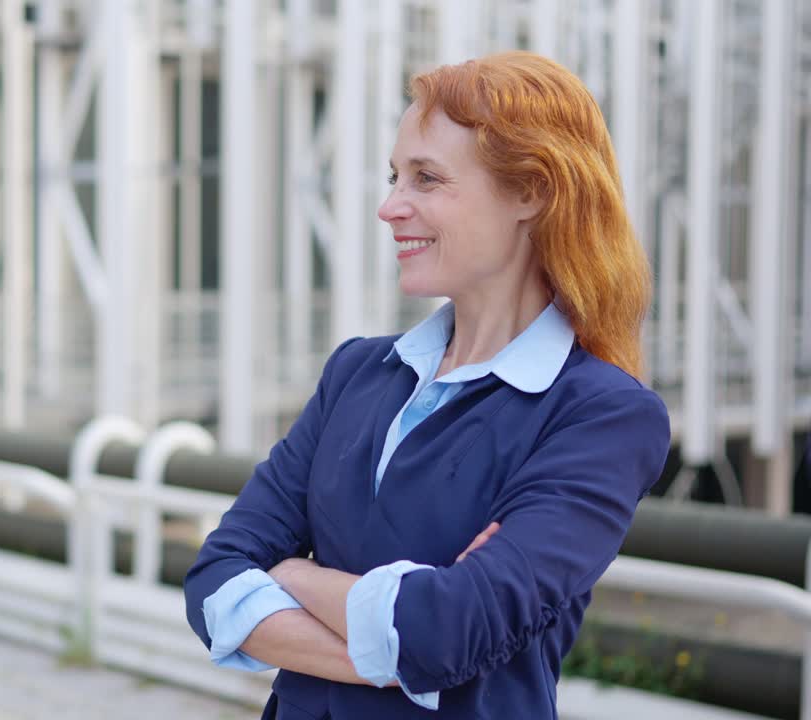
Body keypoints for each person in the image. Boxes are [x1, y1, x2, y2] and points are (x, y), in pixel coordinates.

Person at [183, 51, 671, 719]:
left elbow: (444, 630)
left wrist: (291, 575)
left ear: (531, 191)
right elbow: (213, 580)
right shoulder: (356, 372)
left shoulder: (603, 417)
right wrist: (391, 655)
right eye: (394, 176)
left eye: (427, 178)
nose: (390, 207)